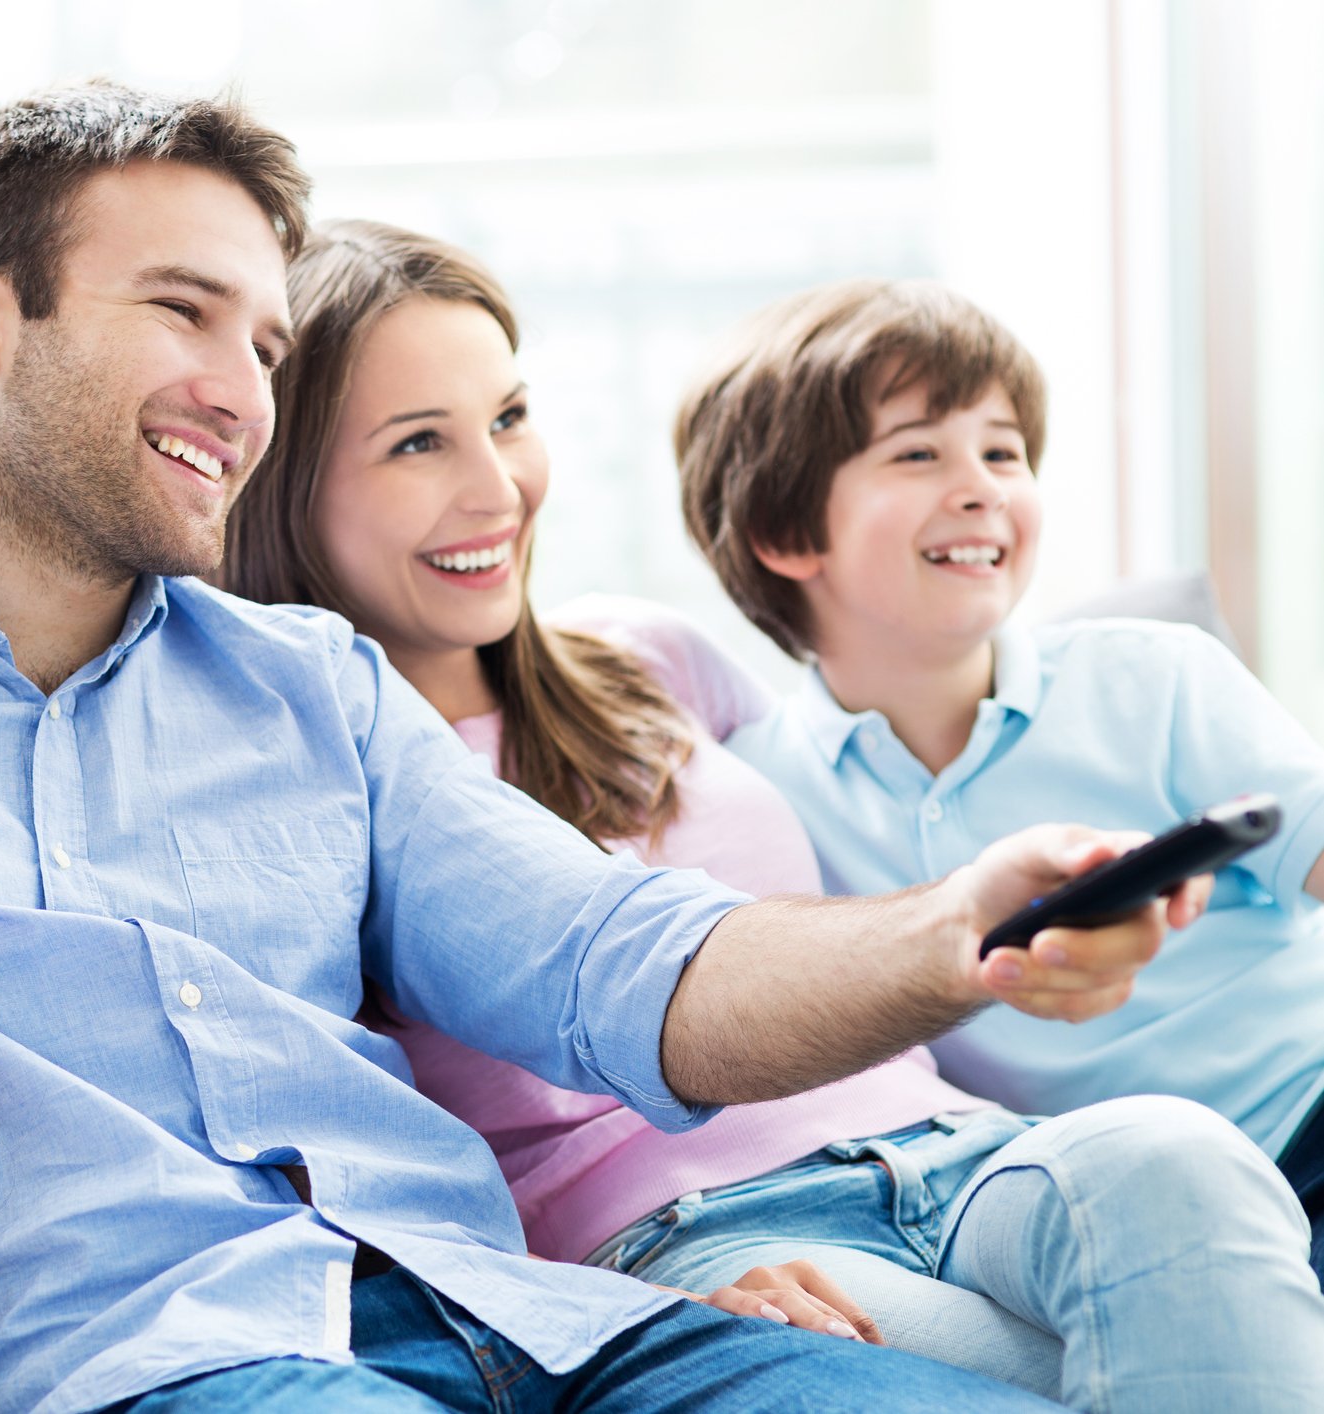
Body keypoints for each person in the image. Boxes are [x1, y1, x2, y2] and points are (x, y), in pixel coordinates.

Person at [0, 85, 1204, 1414]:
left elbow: (624, 967)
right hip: (177, 1360)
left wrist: (950, 931)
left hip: (525, 1318)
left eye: (264, 339)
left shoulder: (312, 687)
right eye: (186, 313)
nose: (244, 388)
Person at [218, 217, 1324, 1410]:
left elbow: (872, 743)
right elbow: (355, 1163)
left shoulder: (648, 660)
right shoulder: (297, 802)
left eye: (509, 418)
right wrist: (624, 1312)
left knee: (1179, 1160)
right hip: (706, 1238)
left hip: (956, 1147)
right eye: (417, 443)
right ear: (288, 479)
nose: (498, 487)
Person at [675, 278, 1324, 1276]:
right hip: (1124, 1211)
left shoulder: (1153, 675)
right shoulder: (761, 798)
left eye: (1004, 450)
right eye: (919, 452)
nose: (981, 484)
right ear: (785, 531)